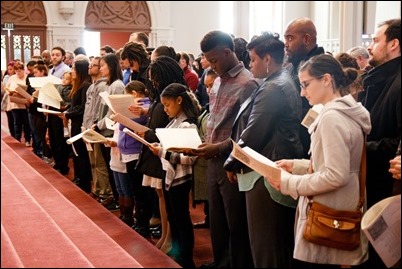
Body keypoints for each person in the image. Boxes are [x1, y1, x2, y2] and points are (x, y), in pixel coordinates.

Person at [264, 54, 371, 267]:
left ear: (326, 80)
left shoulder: (332, 117)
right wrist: (297, 165)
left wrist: (288, 183)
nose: (302, 93)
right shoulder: (344, 112)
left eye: (306, 84)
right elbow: (340, 164)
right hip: (339, 206)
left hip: (329, 212)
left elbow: (335, 175)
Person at [222, 32, 303, 267]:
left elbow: (254, 133)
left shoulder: (274, 87)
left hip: (265, 173)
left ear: (267, 59)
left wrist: (231, 163)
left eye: (253, 59)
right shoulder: (280, 80)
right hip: (271, 168)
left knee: (266, 246)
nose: (250, 64)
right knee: (273, 244)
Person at [191, 30, 257, 268]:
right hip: (212, 159)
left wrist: (217, 148)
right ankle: (220, 263)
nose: (211, 65)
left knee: (235, 223)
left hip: (231, 161)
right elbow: (215, 120)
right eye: (208, 60)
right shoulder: (217, 80)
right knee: (217, 222)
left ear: (228, 52)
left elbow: (245, 133)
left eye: (215, 60)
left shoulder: (248, 82)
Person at [358, 18, 401, 269]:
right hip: (376, 177)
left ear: (394, 44)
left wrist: (361, 147)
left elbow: (397, 141)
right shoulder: (382, 78)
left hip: (388, 183)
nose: (370, 47)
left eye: (375, 41)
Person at [148, 83, 200, 268]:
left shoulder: (188, 125)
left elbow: (189, 158)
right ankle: (178, 253)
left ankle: (186, 258)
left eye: (168, 105)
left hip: (180, 179)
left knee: (181, 218)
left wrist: (162, 152)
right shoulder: (174, 121)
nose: (165, 109)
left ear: (179, 101)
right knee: (173, 217)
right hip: (169, 175)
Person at [283, 17, 325, 159]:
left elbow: (319, 108)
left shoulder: (320, 67)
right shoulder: (292, 65)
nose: (286, 44)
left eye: (290, 38)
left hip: (308, 142)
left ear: (306, 39)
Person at [61, 57, 92, 192]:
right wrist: (68, 110)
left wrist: (69, 113)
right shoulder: (79, 84)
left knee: (81, 153)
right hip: (75, 122)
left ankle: (84, 181)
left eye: (73, 68)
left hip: (80, 124)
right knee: (76, 152)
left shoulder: (85, 85)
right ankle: (79, 177)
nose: (71, 71)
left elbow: (83, 107)